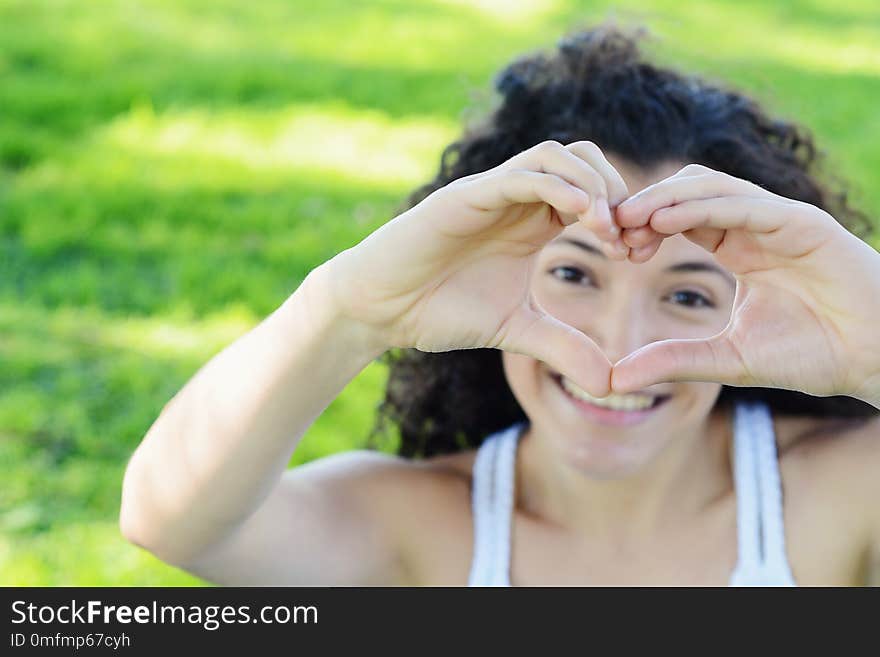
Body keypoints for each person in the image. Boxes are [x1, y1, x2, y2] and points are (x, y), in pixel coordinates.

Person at [119, 24, 880, 586]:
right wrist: (349, 309)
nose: (617, 352)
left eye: (687, 293)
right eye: (575, 276)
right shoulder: (426, 526)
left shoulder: (838, 491)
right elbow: (170, 519)